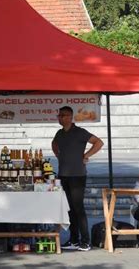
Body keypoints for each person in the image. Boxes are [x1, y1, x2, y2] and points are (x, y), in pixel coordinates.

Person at [52, 106, 104, 251]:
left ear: (70, 117)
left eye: (63, 115)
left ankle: (85, 241)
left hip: (77, 175)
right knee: (69, 209)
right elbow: (54, 144)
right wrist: (58, 155)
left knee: (78, 208)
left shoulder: (80, 132)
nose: (60, 118)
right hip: (63, 174)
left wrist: (86, 155)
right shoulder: (59, 133)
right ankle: (74, 239)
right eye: (59, 115)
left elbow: (98, 142)